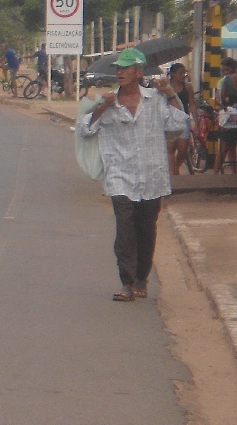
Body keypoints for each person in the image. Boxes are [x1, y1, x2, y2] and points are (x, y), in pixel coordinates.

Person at [77, 47, 188, 302]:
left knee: (146, 229)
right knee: (124, 228)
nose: (120, 72)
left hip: (152, 176)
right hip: (120, 175)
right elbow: (85, 130)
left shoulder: (156, 100)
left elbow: (179, 123)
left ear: (139, 72)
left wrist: (170, 93)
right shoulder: (108, 102)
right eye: (118, 68)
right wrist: (101, 108)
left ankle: (141, 278)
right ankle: (126, 282)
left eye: (126, 68)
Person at [214, 56, 237, 174]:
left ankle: (218, 173)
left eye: (227, 69)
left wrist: (225, 105)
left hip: (228, 117)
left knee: (226, 146)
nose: (225, 72)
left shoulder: (226, 80)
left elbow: (220, 98)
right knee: (230, 146)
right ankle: (233, 172)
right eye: (224, 70)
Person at [166, 62, 192, 176]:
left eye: (184, 73)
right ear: (172, 74)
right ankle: (174, 174)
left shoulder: (187, 87)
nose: (183, 76)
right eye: (180, 73)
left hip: (183, 121)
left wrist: (195, 120)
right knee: (170, 149)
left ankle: (175, 167)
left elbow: (192, 104)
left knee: (182, 149)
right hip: (168, 121)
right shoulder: (165, 87)